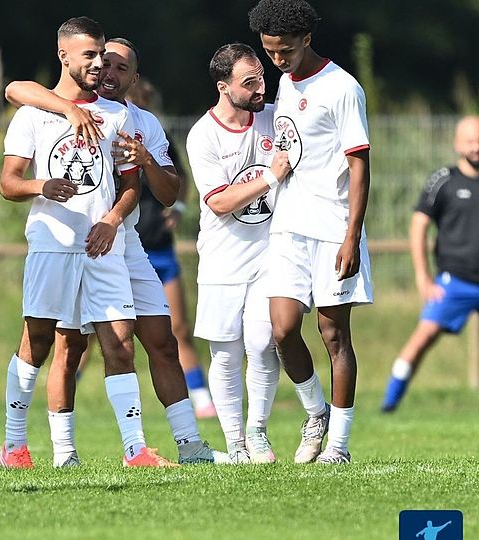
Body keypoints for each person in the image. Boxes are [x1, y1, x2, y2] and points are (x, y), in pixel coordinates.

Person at [4, 37, 226, 465]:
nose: (107, 71)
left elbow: (163, 192)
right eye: (101, 62)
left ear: (133, 78)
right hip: (67, 243)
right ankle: (49, 449)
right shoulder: (51, 107)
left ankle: (182, 446)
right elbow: (14, 90)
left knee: (156, 340)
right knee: (63, 345)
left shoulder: (134, 120)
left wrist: (141, 166)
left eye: (119, 67)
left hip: (123, 244)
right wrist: (68, 110)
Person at [0, 17, 168, 469]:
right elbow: (8, 183)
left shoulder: (117, 114)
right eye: (89, 55)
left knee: (120, 343)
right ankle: (14, 445)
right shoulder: (34, 114)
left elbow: (131, 185)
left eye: (102, 55)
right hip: (52, 246)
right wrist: (42, 187)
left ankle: (135, 449)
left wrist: (113, 220)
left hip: (101, 248)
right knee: (38, 342)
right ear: (64, 56)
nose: (98, 63)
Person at [250, 0, 373, 464]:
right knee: (281, 329)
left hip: (331, 229)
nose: (277, 60)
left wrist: (351, 235)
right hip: (288, 228)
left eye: (284, 51)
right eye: (269, 51)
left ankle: (337, 446)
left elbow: (359, 166)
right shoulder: (283, 82)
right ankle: (314, 413)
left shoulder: (342, 88)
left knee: (333, 333)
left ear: (306, 38)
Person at [185, 43, 290, 463]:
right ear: (223, 87)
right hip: (223, 258)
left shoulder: (274, 118)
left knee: (263, 342)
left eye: (261, 77)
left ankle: (258, 432)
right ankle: (234, 442)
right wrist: (270, 176)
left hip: (271, 253)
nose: (261, 87)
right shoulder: (203, 134)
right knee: (226, 352)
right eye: (250, 82)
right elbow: (220, 202)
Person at [382, 116, 479, 412]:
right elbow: (418, 226)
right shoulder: (443, 180)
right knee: (422, 339)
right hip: (454, 281)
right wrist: (423, 276)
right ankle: (389, 403)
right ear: (457, 144)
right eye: (471, 140)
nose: (477, 146)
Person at [135, 137, 216, 419]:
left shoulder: (156, 135)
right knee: (95, 335)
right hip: (125, 253)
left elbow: (179, 178)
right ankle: (67, 396)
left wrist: (179, 208)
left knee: (178, 328)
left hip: (160, 251)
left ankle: (201, 398)